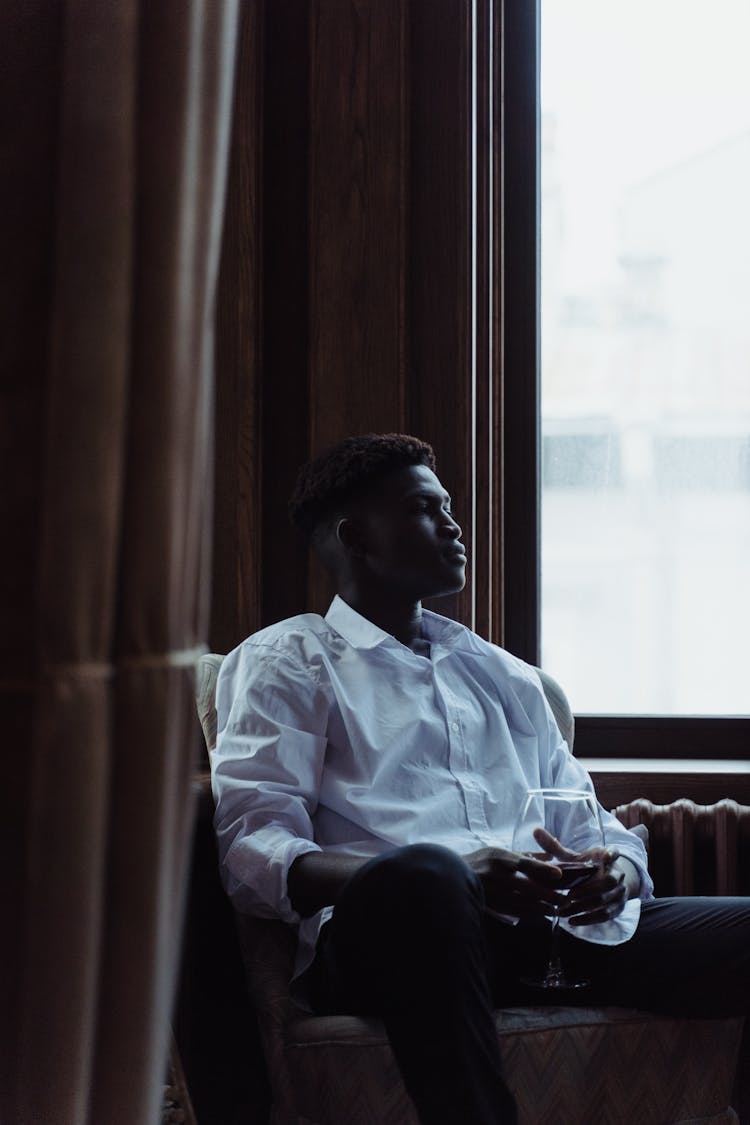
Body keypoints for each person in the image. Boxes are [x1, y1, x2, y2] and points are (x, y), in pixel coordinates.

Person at [211, 433, 749, 1124]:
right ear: (357, 537)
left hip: (539, 936)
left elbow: (589, 821)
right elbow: (252, 853)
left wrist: (617, 867)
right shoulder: (290, 660)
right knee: (430, 877)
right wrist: (452, 871)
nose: (453, 523)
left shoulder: (504, 675)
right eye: (423, 509)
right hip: (389, 939)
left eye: (449, 506)